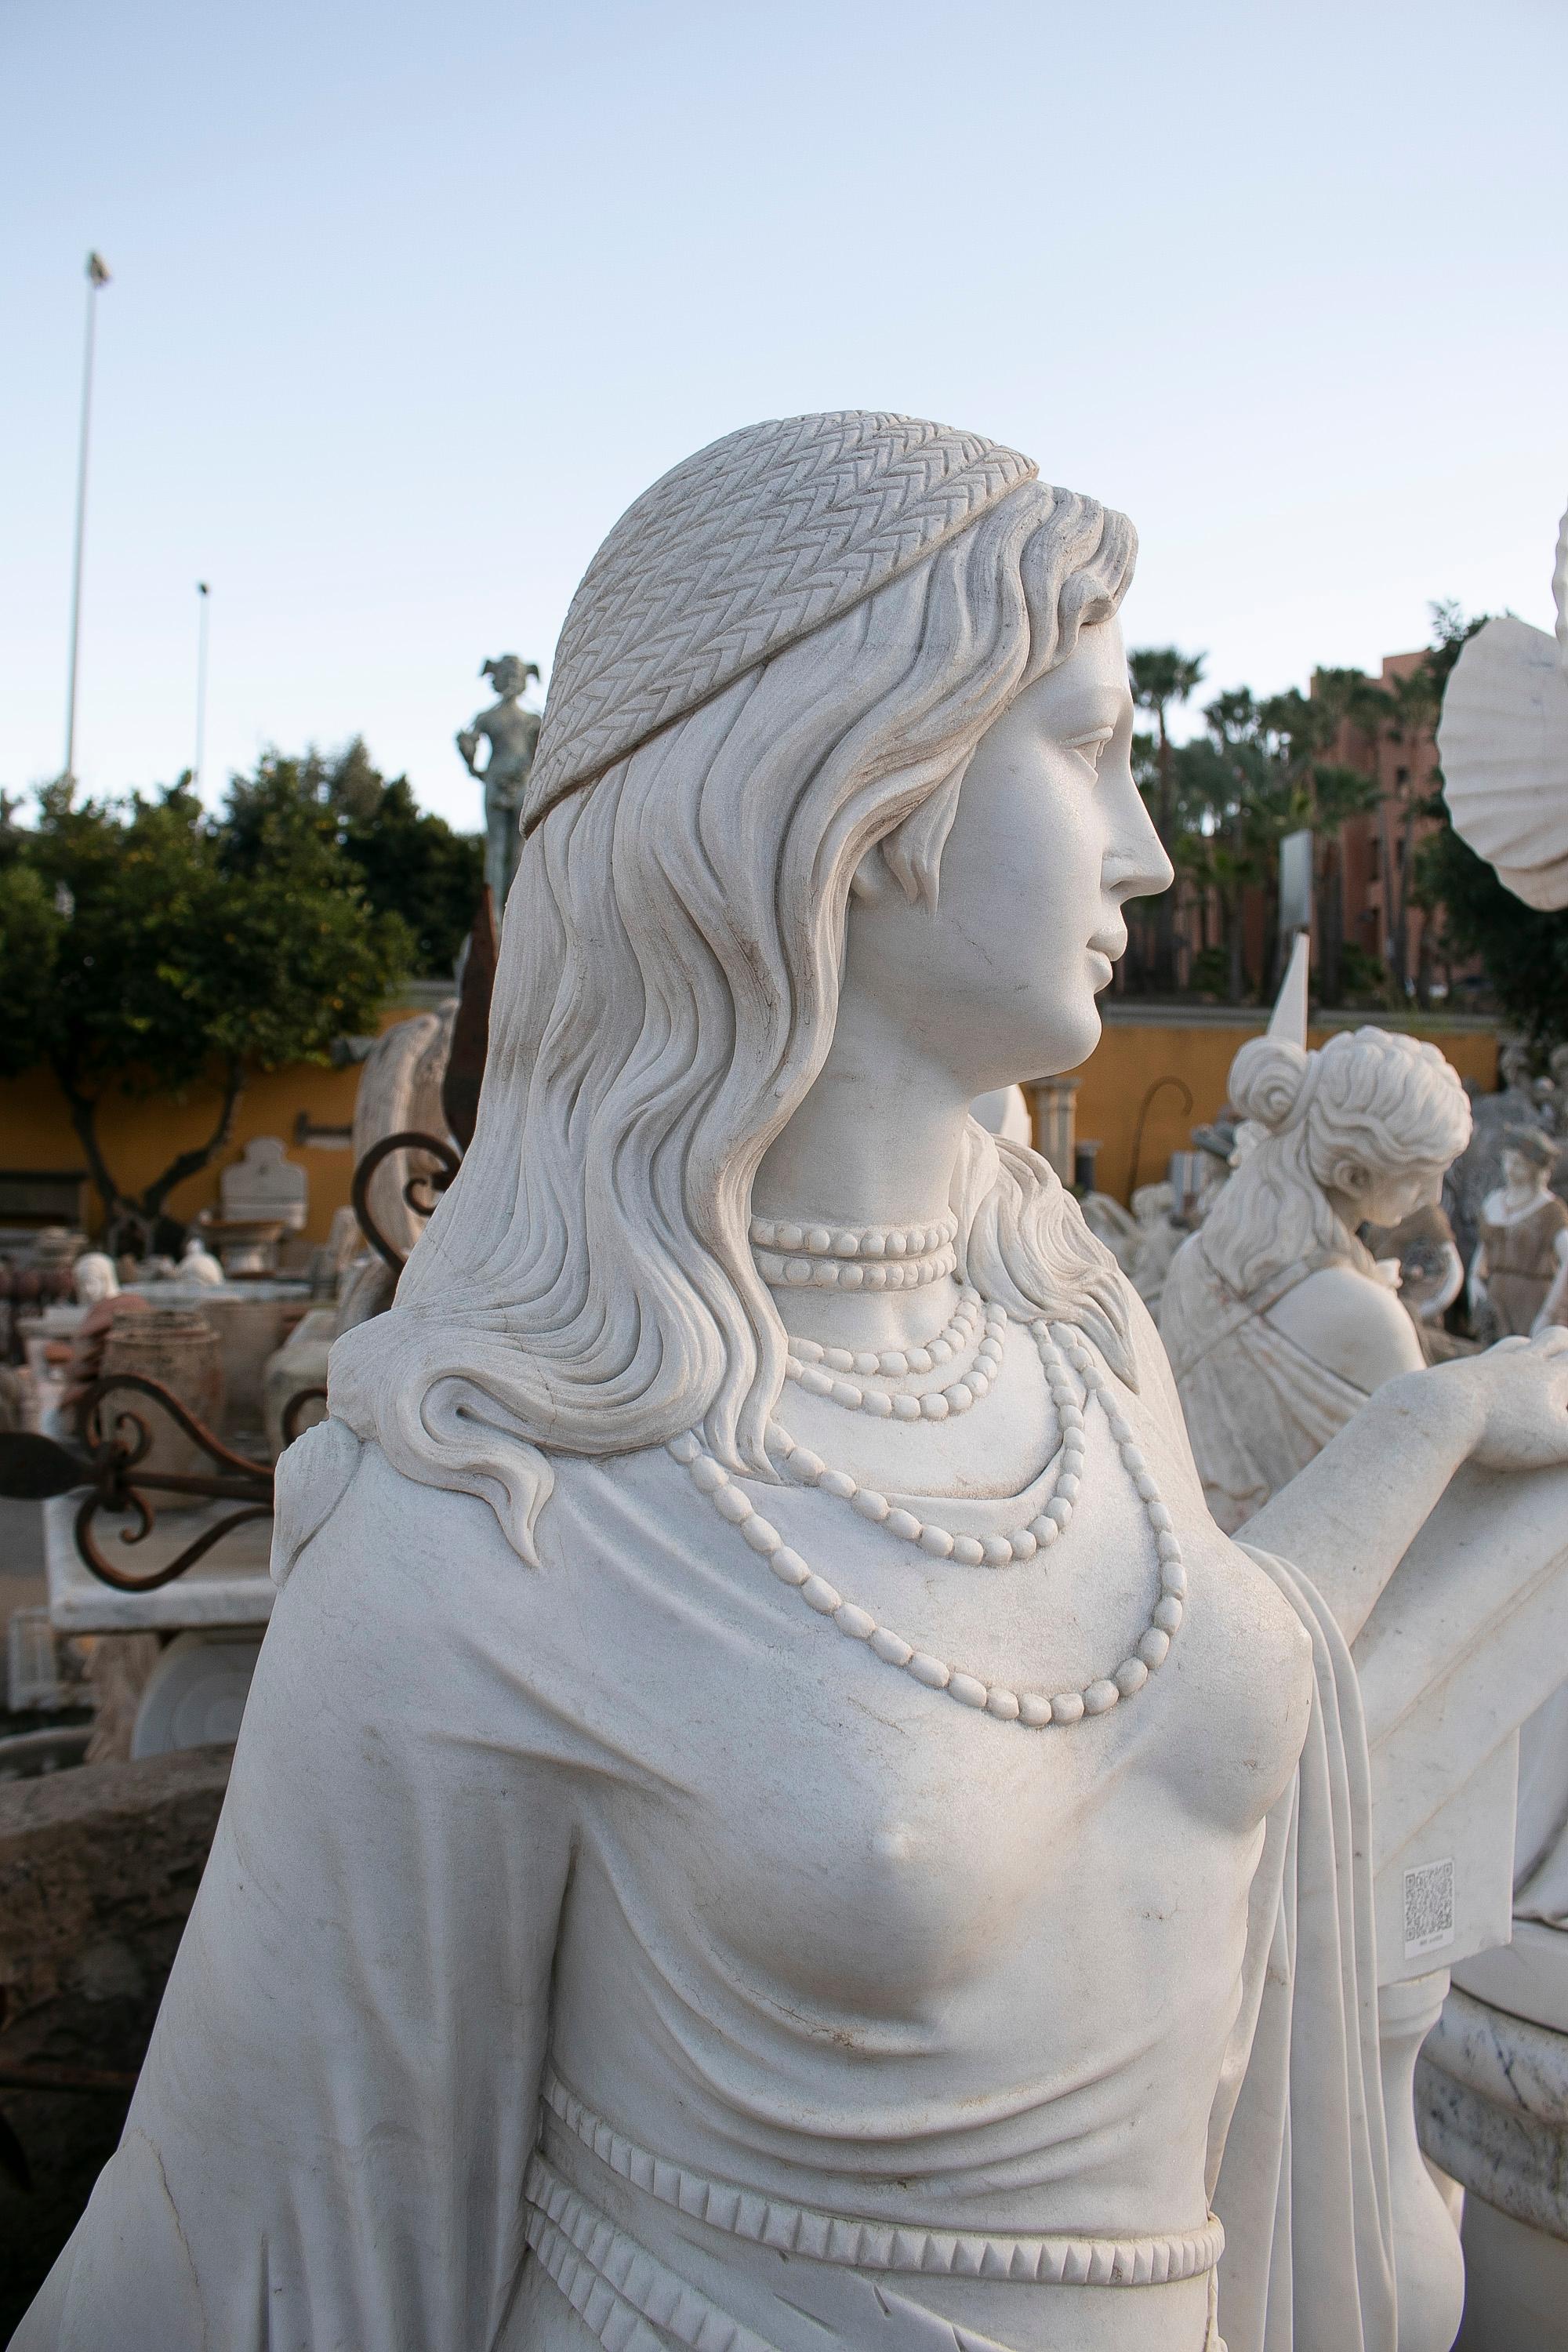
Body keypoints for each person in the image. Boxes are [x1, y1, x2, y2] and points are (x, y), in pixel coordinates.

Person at [18, 412, 1568, 2352]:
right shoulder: (499, 1492)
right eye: (1087, 746)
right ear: (847, 780)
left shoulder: (1076, 1343)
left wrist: (1437, 1421)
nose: (1149, 848)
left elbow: (1187, 1690)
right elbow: (256, 2238)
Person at [1160, 1025, 1472, 1532]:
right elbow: (1438, 1498)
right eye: (1422, 1176)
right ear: (1352, 1176)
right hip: (1301, 1569)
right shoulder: (1365, 1314)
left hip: (1191, 1544)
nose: (1434, 1196)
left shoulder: (1195, 1258)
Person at [1468, 1127, 1568, 1338]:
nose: (1510, 1168)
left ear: (1535, 1168)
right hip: (1496, 1304)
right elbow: (1483, 1251)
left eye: (1519, 1163)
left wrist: (1548, 1314)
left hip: (1533, 1306)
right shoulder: (1494, 1202)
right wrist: (1474, 1281)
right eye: (1507, 1160)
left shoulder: (1551, 1209)